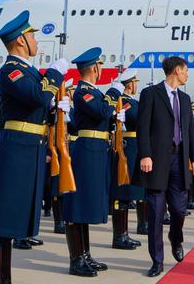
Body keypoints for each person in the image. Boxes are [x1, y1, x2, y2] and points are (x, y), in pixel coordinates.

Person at [0, 11, 68, 283]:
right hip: (15, 152)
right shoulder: (11, 70)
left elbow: (38, 108)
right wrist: (54, 75)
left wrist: (56, 110)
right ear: (21, 40)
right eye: (32, 36)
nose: (36, 41)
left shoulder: (30, 72)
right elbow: (37, 96)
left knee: (10, 225)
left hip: (30, 150)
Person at [132, 56, 194, 277]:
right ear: (177, 70)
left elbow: (189, 131)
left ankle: (175, 238)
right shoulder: (150, 94)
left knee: (179, 209)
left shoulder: (185, 99)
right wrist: (145, 155)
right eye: (186, 70)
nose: (187, 75)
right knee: (156, 212)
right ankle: (157, 261)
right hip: (156, 161)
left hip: (179, 160)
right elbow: (143, 127)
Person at [61, 47, 124, 276]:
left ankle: (85, 255)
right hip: (87, 151)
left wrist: (115, 117)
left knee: (86, 204)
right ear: (95, 68)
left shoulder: (94, 92)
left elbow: (103, 116)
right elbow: (101, 111)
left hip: (96, 150)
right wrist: (114, 92)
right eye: (100, 65)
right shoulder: (82, 92)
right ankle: (76, 259)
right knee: (77, 205)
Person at [110, 69, 145, 250]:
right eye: (135, 82)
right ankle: (119, 236)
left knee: (135, 191)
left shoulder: (133, 101)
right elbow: (136, 118)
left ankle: (127, 232)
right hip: (128, 148)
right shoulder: (124, 101)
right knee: (123, 193)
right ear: (129, 84)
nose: (136, 85)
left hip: (135, 147)